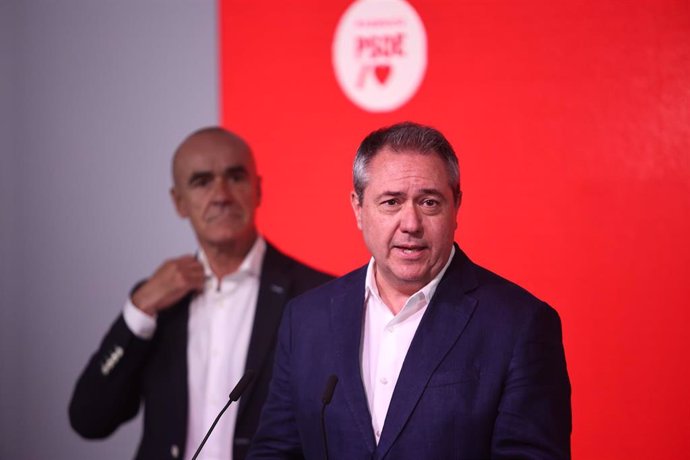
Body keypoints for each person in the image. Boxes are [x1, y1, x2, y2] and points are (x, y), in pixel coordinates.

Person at [247, 122, 571, 459]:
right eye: (391, 202)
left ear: (456, 206)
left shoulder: (519, 324)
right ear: (358, 208)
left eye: (429, 203)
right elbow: (276, 450)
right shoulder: (305, 320)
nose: (411, 223)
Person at [69, 127, 333, 460]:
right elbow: (89, 419)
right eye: (202, 182)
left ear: (258, 190)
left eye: (235, 177)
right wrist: (138, 310)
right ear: (179, 202)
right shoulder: (155, 301)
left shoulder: (319, 296)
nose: (221, 195)